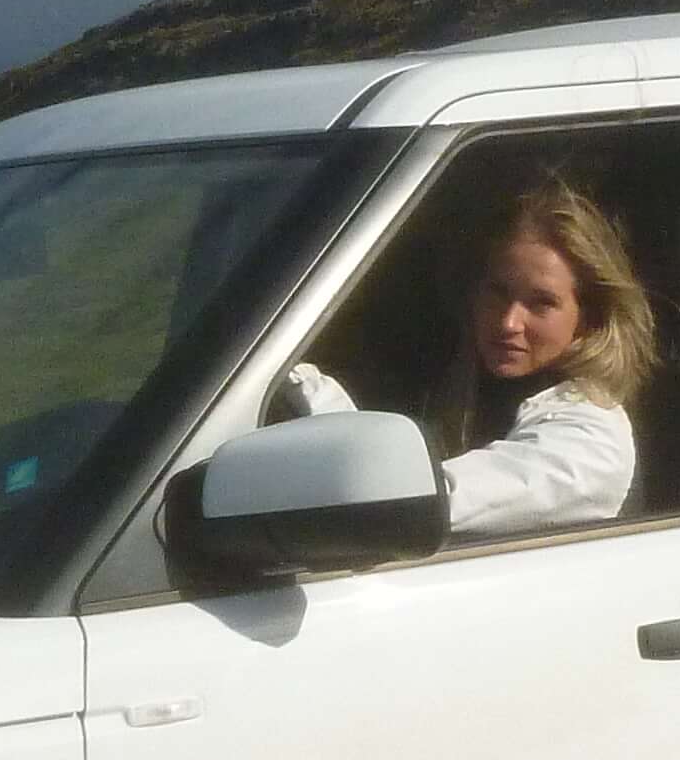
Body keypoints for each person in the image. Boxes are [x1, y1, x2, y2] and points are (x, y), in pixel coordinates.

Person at [281, 175, 660, 539]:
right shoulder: (462, 385)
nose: (509, 322)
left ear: (588, 319)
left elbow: (412, 499)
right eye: (498, 292)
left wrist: (297, 380)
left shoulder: (587, 439)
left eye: (541, 303)